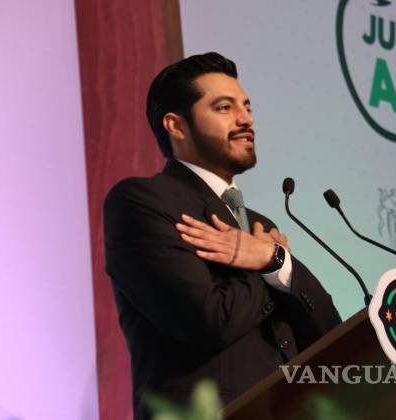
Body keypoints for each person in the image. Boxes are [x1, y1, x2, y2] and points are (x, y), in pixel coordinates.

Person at [103, 52, 341, 419]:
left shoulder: (259, 226)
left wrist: (276, 262)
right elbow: (206, 320)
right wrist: (263, 265)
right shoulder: (142, 201)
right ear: (176, 126)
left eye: (247, 107)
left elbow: (330, 335)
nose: (246, 119)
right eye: (224, 108)